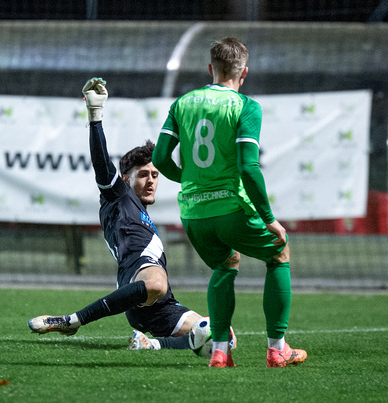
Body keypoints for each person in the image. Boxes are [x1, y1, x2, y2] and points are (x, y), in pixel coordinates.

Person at [28, 77, 228, 353]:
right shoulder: (119, 196)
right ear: (124, 178)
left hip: (161, 305)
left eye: (155, 175)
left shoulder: (140, 212)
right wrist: (95, 115)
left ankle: (151, 345)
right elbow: (101, 163)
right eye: (144, 174)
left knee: (223, 336)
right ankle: (72, 320)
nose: (151, 180)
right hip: (140, 279)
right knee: (157, 282)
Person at [152, 38, 307, 368]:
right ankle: (277, 348)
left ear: (210, 69)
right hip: (230, 209)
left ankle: (220, 350)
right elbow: (249, 167)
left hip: (193, 213)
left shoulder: (183, 103)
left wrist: (190, 180)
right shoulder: (246, 106)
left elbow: (160, 158)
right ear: (244, 72)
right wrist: (269, 217)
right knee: (279, 252)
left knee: (226, 264)